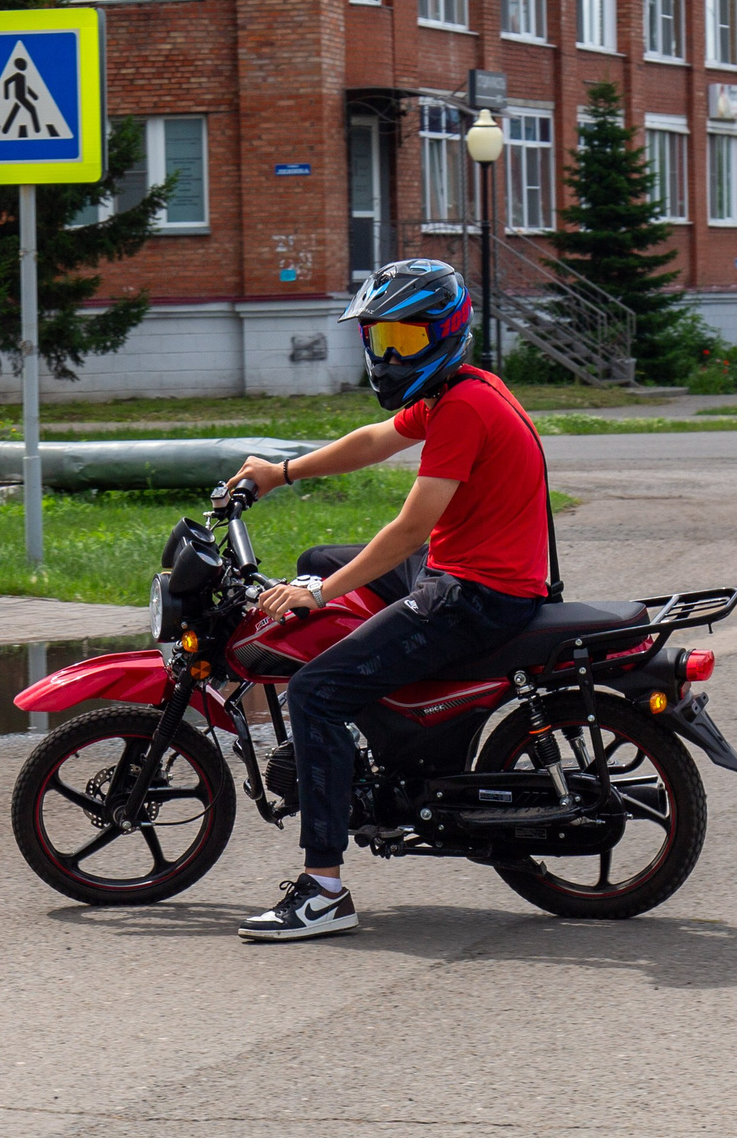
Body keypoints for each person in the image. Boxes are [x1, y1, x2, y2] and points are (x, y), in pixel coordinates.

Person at [225, 258, 554, 942]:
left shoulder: (463, 405)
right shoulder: (459, 390)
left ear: (446, 331)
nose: (388, 354)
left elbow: (410, 527)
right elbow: (375, 439)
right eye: (379, 341)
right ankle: (387, 714)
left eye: (403, 340)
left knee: (316, 690)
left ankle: (323, 891)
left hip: (475, 594)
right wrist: (281, 471)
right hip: (469, 572)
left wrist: (319, 595)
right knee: (321, 557)